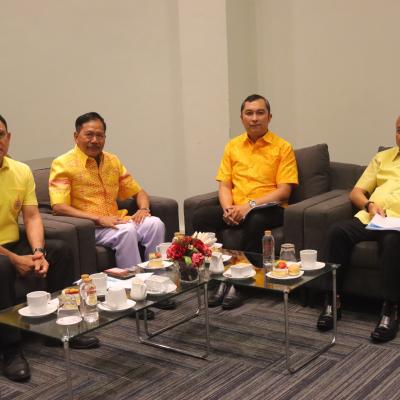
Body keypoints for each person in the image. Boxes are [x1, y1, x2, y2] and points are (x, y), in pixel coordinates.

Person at [0, 115, 91, 382]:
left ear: (8, 137)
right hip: (3, 256)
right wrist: (14, 258)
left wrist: (38, 251)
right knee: (2, 265)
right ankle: (11, 350)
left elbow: (31, 217)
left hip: (10, 242)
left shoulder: (20, 171)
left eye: (0, 134)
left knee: (60, 250)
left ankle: (61, 327)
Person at [49, 112, 168, 316]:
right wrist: (98, 218)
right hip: (91, 226)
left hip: (117, 220)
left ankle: (156, 286)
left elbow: (139, 191)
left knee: (155, 223)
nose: (95, 140)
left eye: (100, 135)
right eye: (89, 134)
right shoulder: (63, 164)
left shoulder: (112, 161)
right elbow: (59, 207)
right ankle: (132, 296)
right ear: (76, 136)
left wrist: (143, 209)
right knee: (126, 232)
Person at [192, 94, 298, 309]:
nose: (254, 118)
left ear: (269, 117)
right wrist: (228, 209)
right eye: (249, 113)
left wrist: (248, 206)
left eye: (260, 113)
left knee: (255, 220)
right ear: (242, 118)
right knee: (201, 216)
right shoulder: (233, 146)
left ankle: (241, 283)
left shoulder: (282, 147)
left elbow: (284, 192)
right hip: (237, 207)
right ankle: (218, 276)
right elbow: (224, 185)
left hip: (269, 208)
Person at [317, 115, 400, 343]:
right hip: (372, 217)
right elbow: (356, 192)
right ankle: (332, 300)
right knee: (337, 232)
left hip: (397, 225)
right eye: (399, 130)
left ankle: (390, 309)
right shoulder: (382, 158)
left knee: (392, 241)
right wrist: (369, 205)